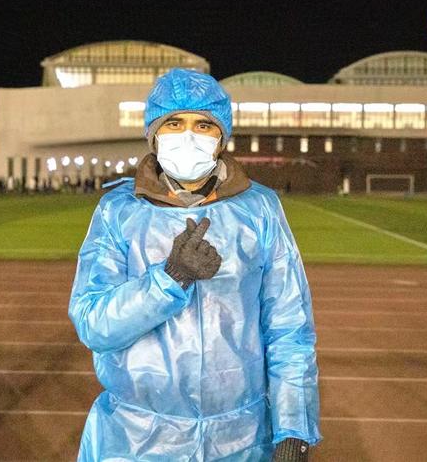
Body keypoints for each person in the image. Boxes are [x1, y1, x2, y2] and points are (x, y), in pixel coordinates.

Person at [69, 68, 322, 461]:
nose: (188, 136)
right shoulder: (117, 212)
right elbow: (93, 323)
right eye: (174, 123)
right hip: (137, 440)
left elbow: (289, 327)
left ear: (222, 137)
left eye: (203, 124)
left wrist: (294, 428)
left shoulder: (260, 209)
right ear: (154, 134)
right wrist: (170, 279)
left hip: (241, 440)